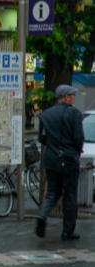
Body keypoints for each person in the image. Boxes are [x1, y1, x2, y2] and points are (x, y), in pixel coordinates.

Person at [35, 84, 84, 241]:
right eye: (72, 96)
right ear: (66, 97)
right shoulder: (74, 114)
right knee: (70, 195)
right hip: (69, 159)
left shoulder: (47, 115)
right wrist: (75, 151)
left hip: (51, 159)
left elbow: (41, 138)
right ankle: (67, 231)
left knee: (53, 193)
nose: (73, 98)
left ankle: (42, 216)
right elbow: (78, 138)